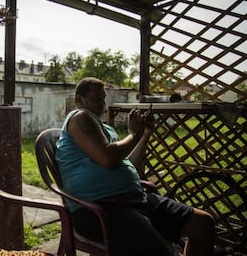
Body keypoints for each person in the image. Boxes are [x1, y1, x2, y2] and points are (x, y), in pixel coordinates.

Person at [55, 77, 215, 256]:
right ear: (80, 99)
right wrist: (133, 134)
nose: (101, 102)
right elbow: (108, 157)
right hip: (102, 209)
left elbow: (130, 166)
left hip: (135, 199)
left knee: (204, 224)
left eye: (103, 97)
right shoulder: (80, 117)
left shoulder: (106, 129)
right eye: (95, 98)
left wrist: (143, 135)